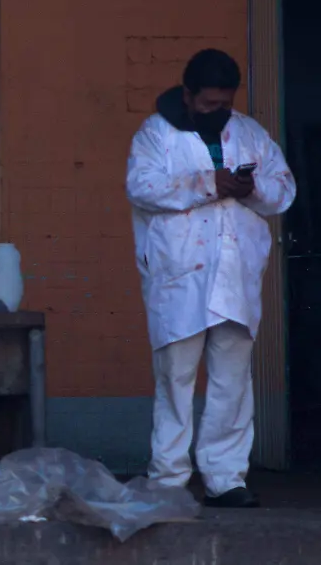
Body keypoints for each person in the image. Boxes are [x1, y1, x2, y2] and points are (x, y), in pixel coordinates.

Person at [126, 48, 296, 509]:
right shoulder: (155, 135)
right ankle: (168, 480)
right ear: (187, 95)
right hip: (179, 277)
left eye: (223, 103)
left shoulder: (250, 134)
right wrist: (208, 183)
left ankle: (225, 479)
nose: (216, 112)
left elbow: (283, 191)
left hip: (235, 277)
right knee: (176, 379)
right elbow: (141, 187)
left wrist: (250, 187)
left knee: (232, 382)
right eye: (207, 104)